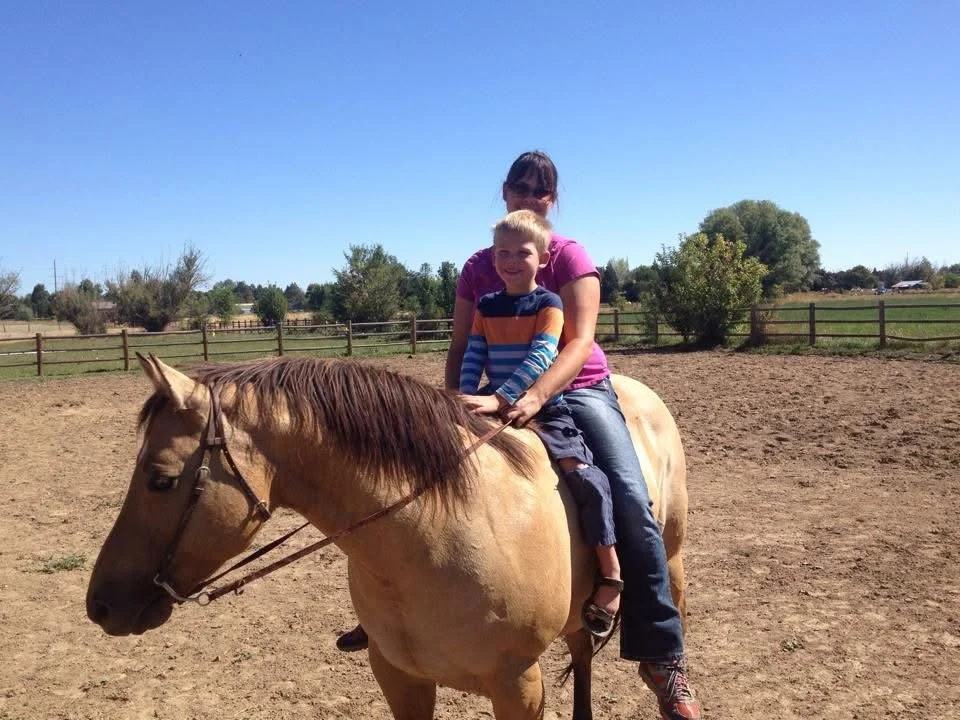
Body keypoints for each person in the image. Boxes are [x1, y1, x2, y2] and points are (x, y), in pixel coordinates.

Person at [337, 150, 700, 720]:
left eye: (540, 191)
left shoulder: (570, 256)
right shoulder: (480, 265)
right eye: (519, 188)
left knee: (631, 494)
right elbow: (462, 346)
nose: (528, 197)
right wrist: (450, 404)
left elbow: (577, 342)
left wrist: (530, 397)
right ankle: (388, 619)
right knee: (418, 478)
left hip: (576, 388)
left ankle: (662, 655)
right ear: (504, 192)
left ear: (551, 202)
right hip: (492, 389)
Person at [457, 208, 622, 639]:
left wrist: (502, 397)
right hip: (494, 398)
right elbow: (474, 351)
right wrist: (461, 393)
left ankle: (610, 570)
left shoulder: (549, 304)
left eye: (522, 253)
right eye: (502, 253)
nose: (511, 261)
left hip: (542, 404)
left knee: (583, 475)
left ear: (543, 259)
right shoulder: (486, 305)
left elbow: (541, 356)